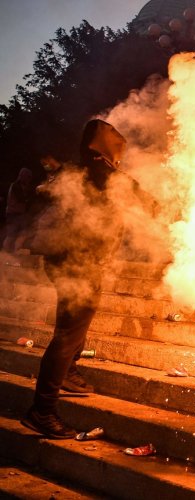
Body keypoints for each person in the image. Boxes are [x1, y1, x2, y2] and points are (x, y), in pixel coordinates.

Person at [21, 119, 129, 439]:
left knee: (72, 328)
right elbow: (146, 202)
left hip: (64, 261)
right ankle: (42, 411)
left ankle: (68, 371)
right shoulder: (105, 174)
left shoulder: (75, 171)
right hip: (78, 264)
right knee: (68, 334)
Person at [3, 167, 35, 254]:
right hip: (13, 214)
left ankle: (13, 253)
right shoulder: (16, 186)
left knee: (20, 234)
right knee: (12, 235)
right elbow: (22, 199)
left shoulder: (21, 186)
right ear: (22, 176)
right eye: (27, 177)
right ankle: (6, 254)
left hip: (18, 214)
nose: (29, 179)